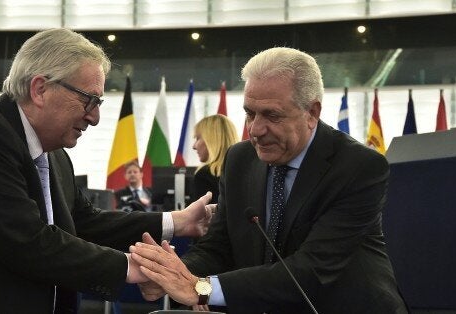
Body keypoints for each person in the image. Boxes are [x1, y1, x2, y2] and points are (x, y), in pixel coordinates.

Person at [0, 28, 213, 314]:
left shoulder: (54, 153)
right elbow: (29, 241)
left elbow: (84, 224)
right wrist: (139, 269)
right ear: (40, 89)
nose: (95, 117)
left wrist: (176, 222)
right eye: (88, 100)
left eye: (99, 103)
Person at [130, 47, 408, 314]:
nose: (255, 130)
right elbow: (219, 247)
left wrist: (201, 288)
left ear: (312, 113)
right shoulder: (240, 159)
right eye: (250, 113)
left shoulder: (358, 167)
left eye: (271, 115)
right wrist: (172, 273)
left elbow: (310, 270)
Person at [191, 114, 239, 203]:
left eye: (198, 138)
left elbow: (200, 216)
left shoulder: (204, 176)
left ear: (212, 140)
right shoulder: (248, 171)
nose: (194, 146)